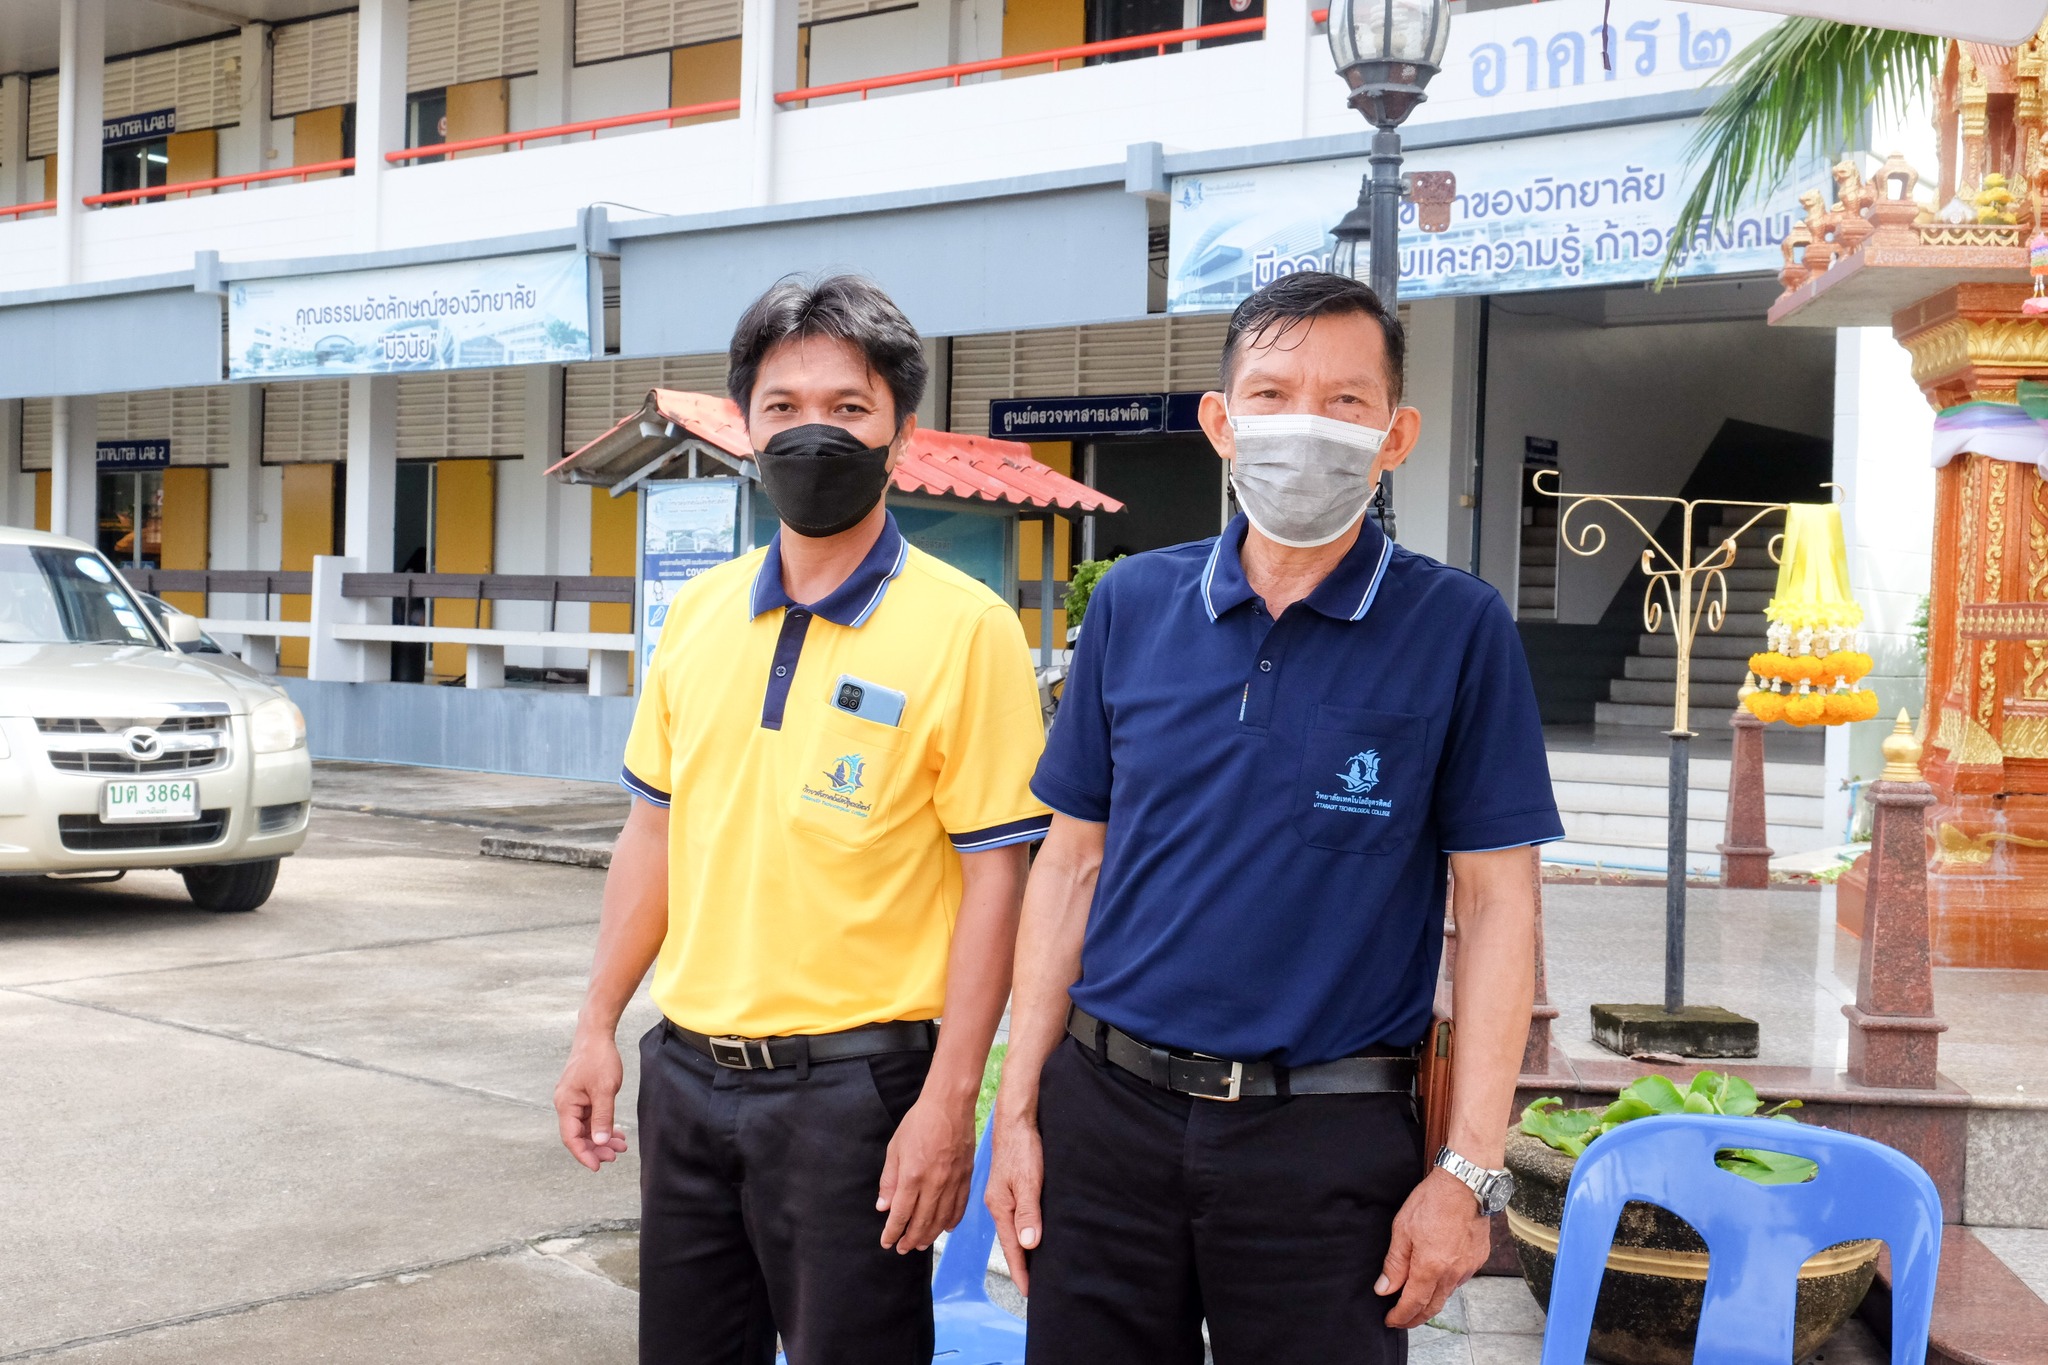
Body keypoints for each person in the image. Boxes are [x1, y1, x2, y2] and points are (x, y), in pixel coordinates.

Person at [986, 270, 1563, 1363]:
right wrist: (1017, 1113)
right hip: (1104, 1119)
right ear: (1220, 421)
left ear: (1394, 435)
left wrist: (1463, 1172)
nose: (1306, 425)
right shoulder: (1130, 605)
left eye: (1345, 402)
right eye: (1272, 392)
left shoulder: (1456, 628)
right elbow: (1067, 868)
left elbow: (1495, 911)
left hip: (1327, 1141)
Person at [554, 274, 1053, 1365]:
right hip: (686, 1076)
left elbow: (997, 882)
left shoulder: (965, 631)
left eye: (848, 408)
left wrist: (947, 1102)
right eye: (782, 408)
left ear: (898, 433)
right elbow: (654, 832)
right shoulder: (696, 614)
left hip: (856, 1097)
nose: (812, 433)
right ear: (743, 427)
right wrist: (599, 1023)